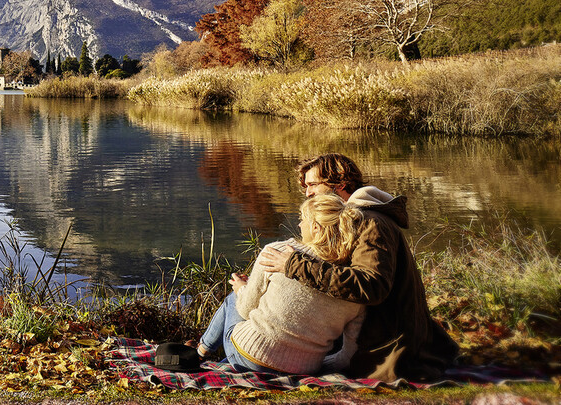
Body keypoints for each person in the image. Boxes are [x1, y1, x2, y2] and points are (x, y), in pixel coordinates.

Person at [255, 153, 458, 382]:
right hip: (373, 337)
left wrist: (294, 264)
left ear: (340, 184)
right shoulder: (357, 218)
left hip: (384, 349)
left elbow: (371, 285)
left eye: (312, 185)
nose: (307, 193)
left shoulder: (370, 222)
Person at [196, 194, 367, 375]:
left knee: (234, 298)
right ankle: (205, 354)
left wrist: (241, 289)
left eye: (302, 220)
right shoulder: (355, 284)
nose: (299, 225)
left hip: (251, 356)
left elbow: (245, 309)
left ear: (316, 228)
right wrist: (315, 366)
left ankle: (200, 352)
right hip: (304, 370)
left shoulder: (277, 252)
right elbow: (347, 357)